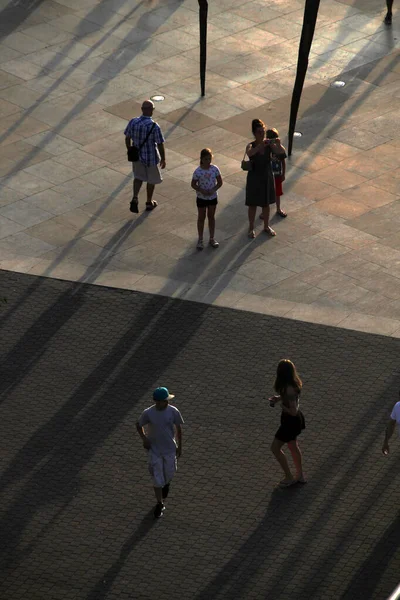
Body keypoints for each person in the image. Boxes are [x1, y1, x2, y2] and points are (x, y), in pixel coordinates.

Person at [136, 387, 184, 518]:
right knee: (157, 479)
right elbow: (138, 424)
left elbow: (178, 428)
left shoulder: (173, 411)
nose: (166, 402)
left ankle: (166, 484)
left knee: (169, 473)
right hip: (155, 450)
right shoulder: (148, 413)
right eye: (164, 400)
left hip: (169, 449)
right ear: (157, 401)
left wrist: (179, 447)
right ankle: (159, 503)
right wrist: (144, 439)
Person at [245, 118, 286, 239]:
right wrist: (260, 146)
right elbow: (250, 153)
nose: (262, 134)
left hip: (266, 176)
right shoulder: (251, 145)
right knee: (252, 204)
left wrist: (278, 144)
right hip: (254, 177)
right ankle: (251, 227)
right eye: (259, 132)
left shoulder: (269, 145)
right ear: (254, 133)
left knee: (266, 204)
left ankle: (266, 226)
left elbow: (281, 153)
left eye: (262, 131)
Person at [124, 100, 166, 214]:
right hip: (151, 158)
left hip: (137, 157)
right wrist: (163, 158)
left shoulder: (133, 122)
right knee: (151, 180)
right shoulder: (154, 126)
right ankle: (148, 202)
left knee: (138, 177)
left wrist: (130, 149)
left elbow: (127, 137)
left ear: (142, 109)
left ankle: (135, 197)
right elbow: (160, 143)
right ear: (150, 110)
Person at [269, 359, 306, 487]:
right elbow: (290, 398)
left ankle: (289, 476)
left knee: (275, 448)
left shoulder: (288, 388)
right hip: (294, 422)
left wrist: (283, 407)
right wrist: (279, 398)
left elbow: (293, 411)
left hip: (290, 422)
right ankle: (300, 475)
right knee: (292, 446)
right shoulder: (292, 385)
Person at [191, 148, 223, 250]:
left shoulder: (215, 169)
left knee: (211, 217)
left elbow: (220, 182)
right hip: (201, 197)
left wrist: (213, 189)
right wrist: (201, 190)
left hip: (212, 197)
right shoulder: (198, 171)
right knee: (201, 217)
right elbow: (193, 184)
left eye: (209, 159)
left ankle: (212, 238)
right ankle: (200, 240)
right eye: (206, 159)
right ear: (201, 159)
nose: (208, 162)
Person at [260, 128, 287, 221]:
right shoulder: (266, 147)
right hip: (267, 174)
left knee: (278, 192)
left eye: (274, 139)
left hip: (277, 173)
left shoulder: (279, 149)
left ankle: (278, 208)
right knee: (266, 192)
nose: (272, 142)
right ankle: (264, 211)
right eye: (270, 139)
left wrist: (283, 173)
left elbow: (283, 160)